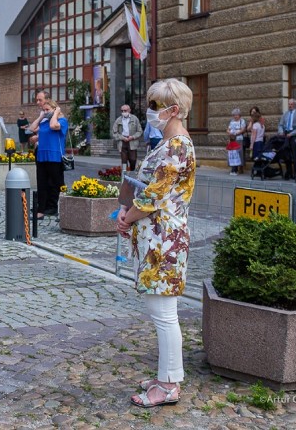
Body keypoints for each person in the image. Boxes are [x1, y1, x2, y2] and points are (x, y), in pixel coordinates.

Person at [115, 78, 196, 409]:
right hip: (158, 237)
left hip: (165, 239)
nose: (148, 111)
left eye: (153, 106)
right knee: (162, 312)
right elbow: (144, 185)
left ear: (173, 110)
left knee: (164, 314)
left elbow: (155, 194)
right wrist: (128, 211)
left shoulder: (177, 145)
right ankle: (166, 376)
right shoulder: (168, 143)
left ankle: (168, 384)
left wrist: (128, 216)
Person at [28, 94, 68, 219]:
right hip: (42, 155)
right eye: (44, 110)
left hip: (55, 156)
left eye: (47, 110)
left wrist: (56, 113)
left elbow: (53, 126)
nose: (45, 112)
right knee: (42, 183)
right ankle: (41, 209)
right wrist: (41, 117)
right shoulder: (44, 121)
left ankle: (55, 208)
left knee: (55, 183)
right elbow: (32, 128)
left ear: (55, 109)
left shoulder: (62, 121)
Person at [113, 104, 143, 171]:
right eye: (122, 111)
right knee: (124, 161)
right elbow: (114, 133)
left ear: (129, 110)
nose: (124, 112)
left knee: (133, 159)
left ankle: (132, 173)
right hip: (122, 142)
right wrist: (122, 137)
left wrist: (132, 137)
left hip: (132, 142)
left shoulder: (135, 119)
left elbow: (140, 131)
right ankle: (125, 176)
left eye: (125, 110)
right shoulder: (118, 120)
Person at [278, 98, 296, 179]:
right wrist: (281, 132)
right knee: (286, 154)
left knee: (295, 155)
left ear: (294, 105)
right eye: (289, 104)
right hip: (285, 134)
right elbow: (280, 124)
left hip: (294, 135)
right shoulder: (285, 114)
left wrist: (292, 134)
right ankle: (289, 172)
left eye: (291, 104)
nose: (290, 106)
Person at [226, 108, 247, 175]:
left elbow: (243, 130)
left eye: (237, 115)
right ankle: (233, 168)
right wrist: (229, 133)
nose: (235, 116)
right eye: (234, 115)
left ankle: (238, 168)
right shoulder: (231, 121)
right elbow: (228, 129)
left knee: (238, 154)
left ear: (239, 115)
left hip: (239, 139)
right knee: (232, 154)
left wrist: (235, 133)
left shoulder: (242, 121)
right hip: (232, 140)